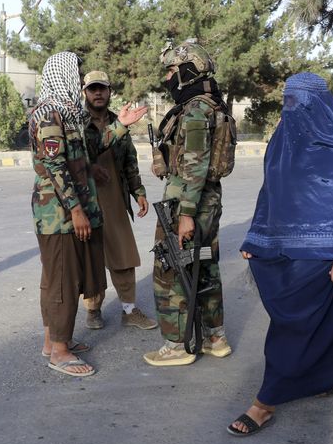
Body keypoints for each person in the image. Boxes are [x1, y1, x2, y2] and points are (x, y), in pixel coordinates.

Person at [227, 72, 333, 436]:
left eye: (299, 101)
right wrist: (256, 237)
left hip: (327, 251)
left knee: (296, 325)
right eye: (286, 100)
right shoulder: (282, 141)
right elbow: (269, 192)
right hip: (283, 245)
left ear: (318, 104)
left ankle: (264, 403)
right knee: (314, 321)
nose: (291, 108)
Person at [28, 51, 146, 377]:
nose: (80, 79)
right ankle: (59, 351)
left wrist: (119, 128)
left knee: (65, 278)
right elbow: (54, 164)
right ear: (60, 73)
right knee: (62, 280)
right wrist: (76, 209)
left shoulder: (68, 113)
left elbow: (84, 151)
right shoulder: (49, 114)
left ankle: (54, 341)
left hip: (70, 211)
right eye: (76, 72)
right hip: (59, 214)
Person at [143, 40, 234, 366]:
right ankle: (215, 338)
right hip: (208, 201)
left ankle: (176, 346)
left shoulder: (196, 111)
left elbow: (194, 167)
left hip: (187, 204)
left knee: (172, 271)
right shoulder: (214, 105)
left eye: (171, 70)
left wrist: (186, 215)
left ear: (188, 71)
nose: (168, 77)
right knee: (206, 267)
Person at [81, 70, 157, 331]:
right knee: (91, 257)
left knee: (123, 255)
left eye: (102, 88)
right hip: (86, 199)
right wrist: (121, 127)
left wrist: (138, 191)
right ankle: (93, 309)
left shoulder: (117, 119)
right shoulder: (79, 122)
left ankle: (129, 309)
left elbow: (129, 161)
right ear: (85, 92)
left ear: (110, 91)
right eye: (93, 89)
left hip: (114, 197)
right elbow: (90, 148)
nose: (98, 93)